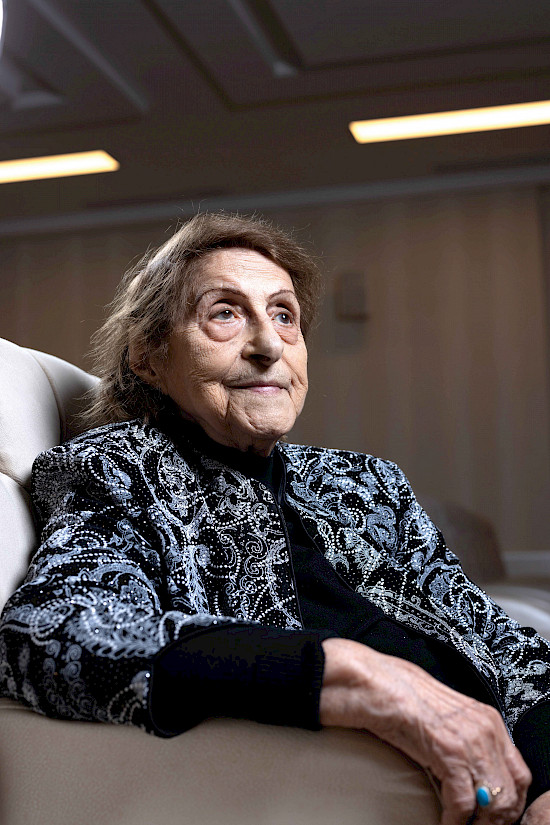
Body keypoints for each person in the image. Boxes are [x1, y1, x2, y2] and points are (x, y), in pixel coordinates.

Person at [0, 212, 549, 825]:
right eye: (225, 313)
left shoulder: (367, 481)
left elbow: (497, 640)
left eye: (285, 315)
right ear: (149, 358)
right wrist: (355, 675)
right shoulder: (116, 469)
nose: (268, 345)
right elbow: (52, 633)